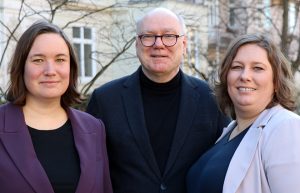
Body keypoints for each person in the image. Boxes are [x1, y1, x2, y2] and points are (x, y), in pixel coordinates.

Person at [86, 7, 229, 193]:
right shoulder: (105, 100)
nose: (158, 44)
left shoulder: (211, 99)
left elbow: (226, 162)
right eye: (148, 36)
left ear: (184, 45)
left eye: (169, 36)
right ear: (137, 44)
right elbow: (91, 171)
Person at [0, 20, 113, 193]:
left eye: (60, 59)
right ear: (21, 67)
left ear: (71, 68)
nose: (50, 70)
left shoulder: (94, 129)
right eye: (38, 60)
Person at [186, 33, 300, 193]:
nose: (245, 76)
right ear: (227, 77)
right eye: (237, 67)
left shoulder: (286, 127)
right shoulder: (229, 131)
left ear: (276, 81)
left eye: (258, 68)